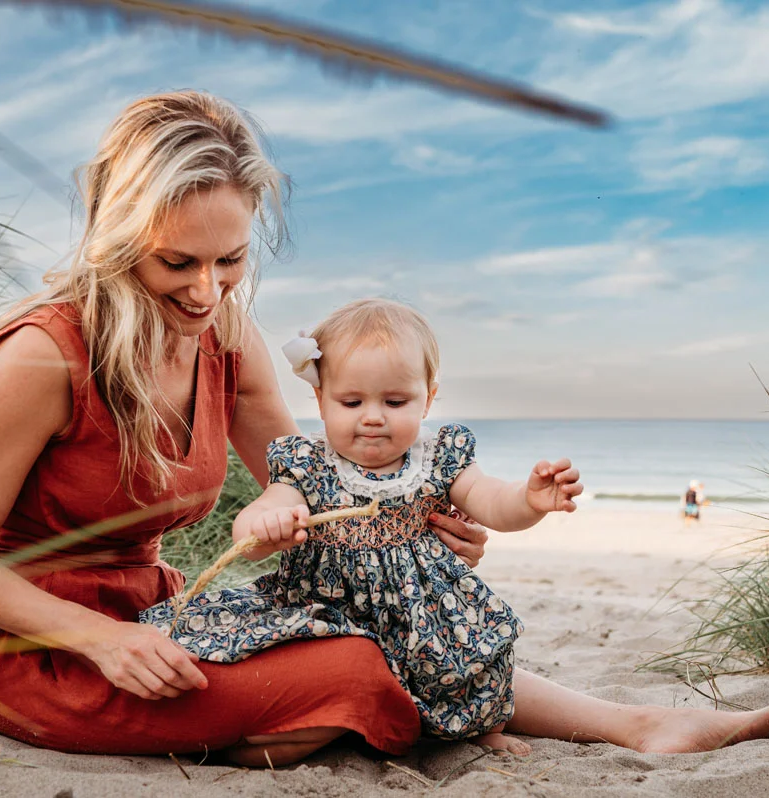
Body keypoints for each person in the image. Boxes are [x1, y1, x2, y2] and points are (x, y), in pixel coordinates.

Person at [0, 90, 769, 768]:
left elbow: (326, 481)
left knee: (384, 617)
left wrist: (419, 518)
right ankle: (335, 721)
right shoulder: (42, 353)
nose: (206, 292)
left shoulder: (221, 331)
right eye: (176, 261)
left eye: (231, 260)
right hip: (47, 652)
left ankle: (638, 724)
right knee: (354, 670)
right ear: (115, 236)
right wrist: (103, 639)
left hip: (159, 614)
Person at [142, 299, 580, 755]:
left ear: (428, 398)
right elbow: (259, 520)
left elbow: (492, 502)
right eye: (351, 401)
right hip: (325, 608)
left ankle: (475, 731)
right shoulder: (307, 465)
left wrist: (529, 501)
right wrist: (265, 524)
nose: (373, 416)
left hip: (421, 609)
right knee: (305, 668)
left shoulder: (438, 459)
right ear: (320, 399)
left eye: (395, 401)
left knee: (463, 664)